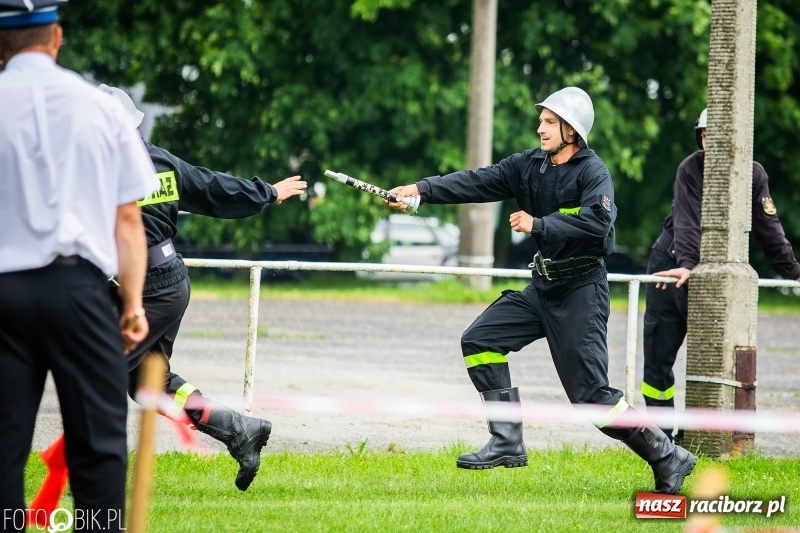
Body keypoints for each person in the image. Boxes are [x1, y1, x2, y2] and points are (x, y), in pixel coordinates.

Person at [387, 87, 697, 494]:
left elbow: (598, 224)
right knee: (480, 339)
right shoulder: (527, 165)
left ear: (572, 130)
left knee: (591, 397)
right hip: (543, 287)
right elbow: (476, 182)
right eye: (541, 121)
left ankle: (667, 455)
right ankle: (507, 441)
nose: (540, 128)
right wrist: (420, 190)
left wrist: (539, 224)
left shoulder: (593, 172)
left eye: (550, 122)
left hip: (582, 291)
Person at [101, 84, 308, 491]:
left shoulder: (102, 170)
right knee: (148, 383)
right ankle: (239, 430)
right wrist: (267, 192)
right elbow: (213, 187)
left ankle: (95, 473)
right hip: (169, 280)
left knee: (98, 372)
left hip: (146, 287)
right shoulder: (161, 162)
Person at [0, 1, 158, 530]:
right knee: (97, 444)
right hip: (78, 291)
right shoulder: (101, 107)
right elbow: (128, 219)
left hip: (3, 292)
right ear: (56, 37)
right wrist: (132, 304)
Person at [642, 108, 800, 444]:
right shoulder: (690, 168)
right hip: (672, 265)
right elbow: (686, 222)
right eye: (704, 136)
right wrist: (687, 265)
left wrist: (794, 271)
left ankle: (697, 438)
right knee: (658, 359)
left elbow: (768, 227)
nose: (709, 143)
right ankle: (661, 442)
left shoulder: (753, 174)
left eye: (717, 136)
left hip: (714, 273)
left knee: (711, 359)